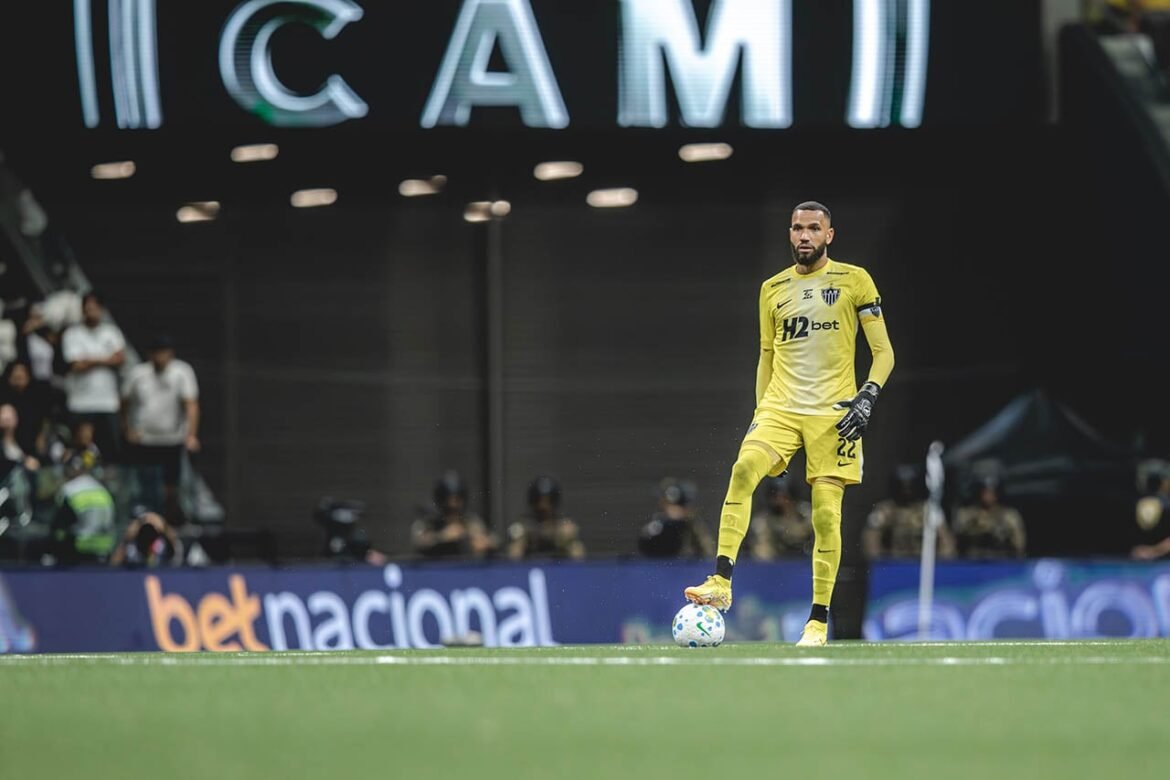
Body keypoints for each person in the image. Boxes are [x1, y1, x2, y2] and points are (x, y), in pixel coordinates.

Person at [683, 201, 895, 647]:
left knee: (825, 514)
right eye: (797, 228)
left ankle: (817, 622)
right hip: (780, 408)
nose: (804, 235)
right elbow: (766, 355)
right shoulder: (772, 288)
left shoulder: (855, 280)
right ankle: (720, 582)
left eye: (814, 228)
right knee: (742, 471)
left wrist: (868, 397)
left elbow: (884, 353)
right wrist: (761, 412)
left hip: (834, 413)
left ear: (829, 236)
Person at [121, 334, 200, 522]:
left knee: (171, 487)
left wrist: (191, 435)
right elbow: (124, 403)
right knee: (145, 487)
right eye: (157, 353)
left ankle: (170, 520)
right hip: (145, 440)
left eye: (164, 353)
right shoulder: (138, 374)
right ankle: (146, 520)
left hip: (172, 439)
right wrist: (128, 429)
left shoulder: (182, 372)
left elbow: (191, 405)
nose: (160, 358)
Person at [60, 292, 125, 460]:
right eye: (87, 308)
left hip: (108, 403)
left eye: (94, 308)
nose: (91, 311)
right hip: (80, 402)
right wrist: (105, 359)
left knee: (111, 452)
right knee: (78, 451)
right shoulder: (72, 334)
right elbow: (76, 365)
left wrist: (89, 359)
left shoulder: (111, 332)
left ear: (101, 309)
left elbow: (120, 359)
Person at [862, 464, 956, 561]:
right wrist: (880, 561)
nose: (906, 491)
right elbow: (871, 536)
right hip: (894, 564)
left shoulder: (929, 510)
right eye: (902, 487)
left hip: (922, 563)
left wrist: (940, 563)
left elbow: (946, 539)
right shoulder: (885, 510)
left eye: (910, 487)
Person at [411, 470, 497, 558]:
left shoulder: (470, 521)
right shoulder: (429, 521)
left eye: (457, 500)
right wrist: (443, 536)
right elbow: (419, 542)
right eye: (448, 500)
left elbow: (493, 540)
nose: (453, 505)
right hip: (435, 568)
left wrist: (480, 540)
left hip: (464, 568)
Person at [50, 457, 116, 565]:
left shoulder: (69, 490)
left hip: (79, 550)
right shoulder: (102, 490)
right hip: (104, 550)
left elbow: (60, 525)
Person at [507, 475, 586, 560]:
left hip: (559, 570)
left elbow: (572, 537)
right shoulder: (523, 524)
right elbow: (514, 551)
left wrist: (564, 537)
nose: (543, 506)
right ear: (533, 501)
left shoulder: (563, 524)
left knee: (575, 546)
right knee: (516, 546)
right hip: (530, 569)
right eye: (538, 501)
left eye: (548, 501)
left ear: (555, 502)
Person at [637, 477, 714, 558]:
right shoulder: (658, 524)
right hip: (658, 564)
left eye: (680, 507)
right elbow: (644, 544)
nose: (675, 512)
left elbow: (706, 552)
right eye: (671, 507)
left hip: (683, 566)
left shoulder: (692, 525)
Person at [951, 476, 1027, 559]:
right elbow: (954, 541)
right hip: (972, 561)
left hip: (1001, 560)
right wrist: (976, 528)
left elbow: (1019, 545)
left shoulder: (1009, 515)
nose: (987, 495)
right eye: (984, 491)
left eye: (991, 492)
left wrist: (999, 531)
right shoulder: (966, 514)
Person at [745, 473, 815, 559]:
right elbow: (761, 553)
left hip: (806, 563)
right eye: (775, 497)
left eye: (784, 497)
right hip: (778, 565)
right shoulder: (763, 521)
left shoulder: (806, 514)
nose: (780, 501)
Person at [109, 507, 184, 568]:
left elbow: (177, 556)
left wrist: (164, 526)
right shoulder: (131, 546)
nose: (148, 534)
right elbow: (114, 565)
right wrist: (126, 540)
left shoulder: (161, 544)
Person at [1132, 466, 1170, 559]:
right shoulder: (1167, 505)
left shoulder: (1130, 503)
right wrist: (1154, 551)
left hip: (1131, 561)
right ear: (1164, 483)